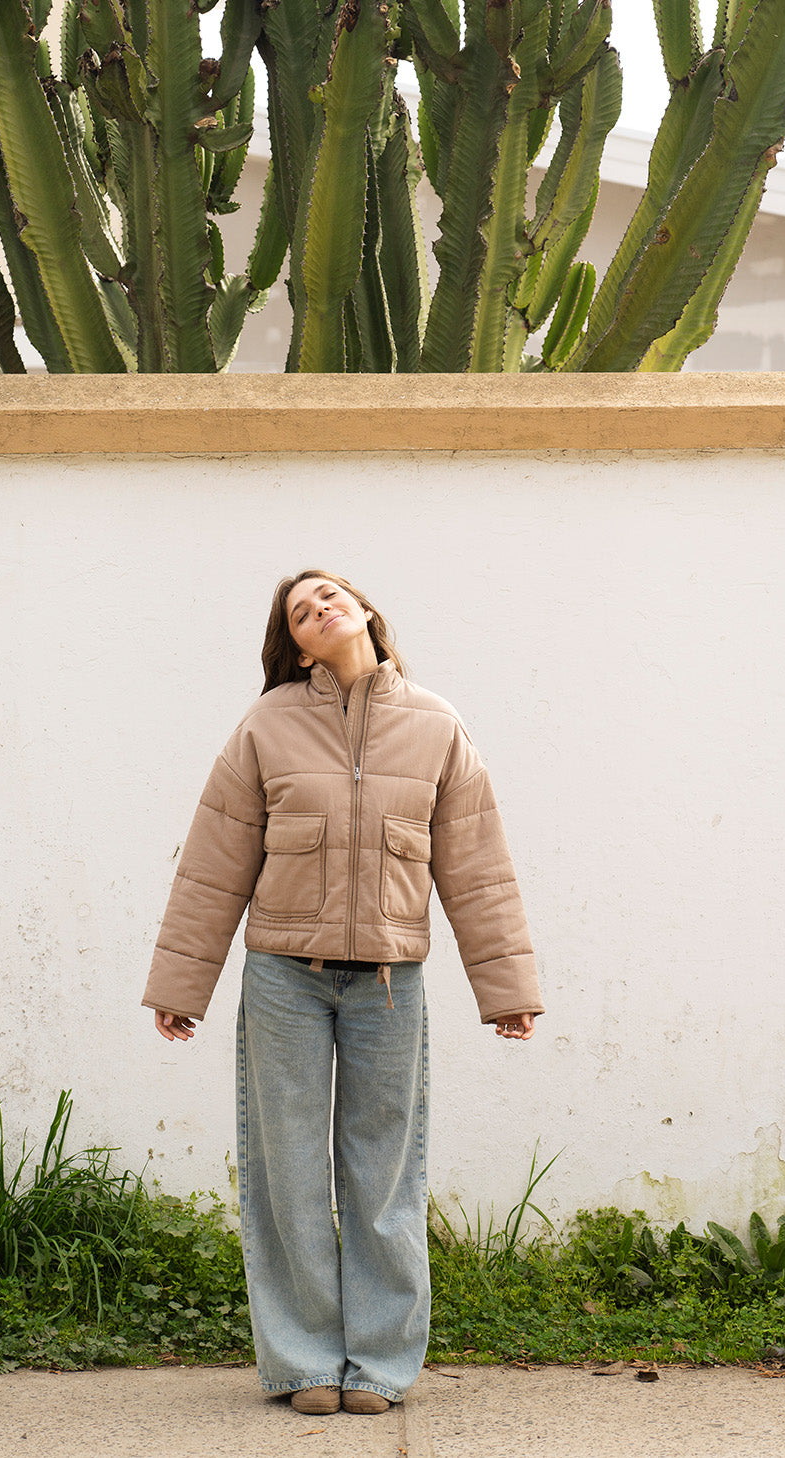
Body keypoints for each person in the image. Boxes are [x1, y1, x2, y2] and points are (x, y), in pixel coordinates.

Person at [143, 569, 542, 1417]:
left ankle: (382, 1365)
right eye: (300, 611)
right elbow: (214, 863)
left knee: (384, 1174)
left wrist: (504, 989)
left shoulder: (436, 725)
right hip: (283, 978)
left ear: (362, 610)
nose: (319, 608)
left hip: (390, 988)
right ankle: (301, 1362)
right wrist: (183, 984)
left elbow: (475, 865)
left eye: (330, 594)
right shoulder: (265, 725)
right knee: (282, 1170)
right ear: (295, 645)